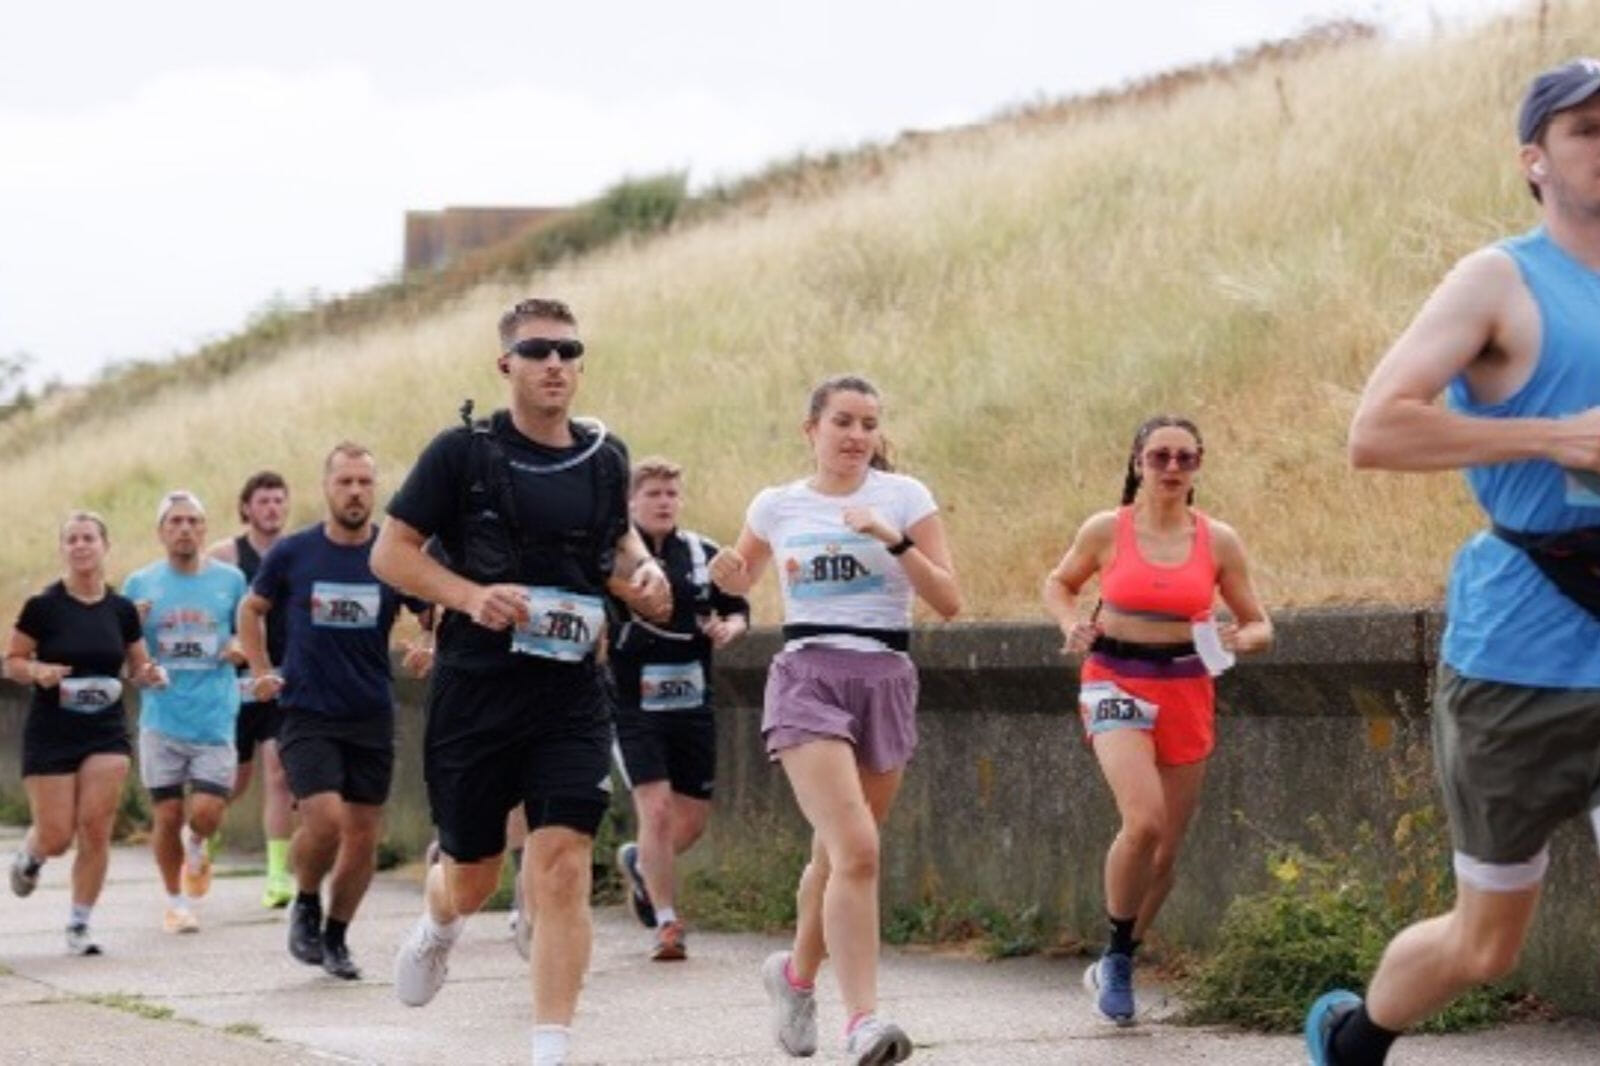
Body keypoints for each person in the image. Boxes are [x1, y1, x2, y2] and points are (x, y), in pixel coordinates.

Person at [1305, 58, 1600, 1066]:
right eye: (1586, 130)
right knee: (1484, 944)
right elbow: (1376, 430)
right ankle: (1357, 1039)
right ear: (1533, 160)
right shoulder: (1500, 281)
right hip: (1523, 658)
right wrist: (1554, 436)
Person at [371, 296, 670, 1066]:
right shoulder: (462, 454)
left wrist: (644, 570)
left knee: (563, 865)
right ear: (506, 363)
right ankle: (440, 923)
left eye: (569, 351)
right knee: (471, 878)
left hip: (571, 693)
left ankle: (550, 1049)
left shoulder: (604, 455)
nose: (555, 364)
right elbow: (390, 553)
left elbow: (616, 540)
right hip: (477, 690)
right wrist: (470, 596)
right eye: (538, 351)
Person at [707, 374, 961, 1066]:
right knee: (858, 851)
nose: (856, 435)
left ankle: (794, 978)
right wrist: (728, 577)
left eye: (868, 424)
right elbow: (740, 581)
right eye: (843, 421)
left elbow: (949, 601)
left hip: (884, 678)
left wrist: (893, 540)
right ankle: (863, 1022)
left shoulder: (904, 497)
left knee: (832, 857)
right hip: (807, 678)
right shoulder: (777, 504)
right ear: (811, 429)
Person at [1042, 414, 1271, 1026]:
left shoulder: (1219, 541)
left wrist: (1243, 638)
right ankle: (1119, 958)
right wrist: (1071, 623)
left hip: (1186, 686)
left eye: (1184, 458)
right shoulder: (1106, 529)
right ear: (1137, 463)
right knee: (1142, 822)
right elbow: (1059, 584)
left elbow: (1259, 623)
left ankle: (1119, 953)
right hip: (1114, 679)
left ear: (1198, 466)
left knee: (1166, 852)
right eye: (1159, 457)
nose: (1171, 468)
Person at [240, 443, 433, 980]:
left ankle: (337, 936)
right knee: (324, 819)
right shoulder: (294, 552)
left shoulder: (391, 556)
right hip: (307, 709)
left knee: (364, 836)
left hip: (370, 712)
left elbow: (432, 611)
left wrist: (428, 644)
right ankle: (306, 901)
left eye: (364, 483)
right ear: (326, 487)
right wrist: (261, 669)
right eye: (344, 481)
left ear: (376, 490)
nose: (355, 492)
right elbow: (251, 609)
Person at [4, 512, 167, 955]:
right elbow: (12, 661)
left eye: (88, 538)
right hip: (52, 732)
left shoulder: (122, 610)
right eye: (72, 539)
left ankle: (79, 924)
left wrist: (150, 674)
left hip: (105, 731)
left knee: (95, 828)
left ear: (104, 546)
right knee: (57, 836)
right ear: (63, 549)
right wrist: (37, 670)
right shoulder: (43, 607)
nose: (80, 545)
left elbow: (138, 665)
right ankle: (32, 855)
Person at [609, 456, 750, 961]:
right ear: (630, 503)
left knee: (688, 824)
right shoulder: (611, 560)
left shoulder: (701, 552)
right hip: (633, 706)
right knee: (657, 810)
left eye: (671, 494)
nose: (664, 502)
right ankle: (667, 923)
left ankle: (640, 863)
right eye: (653, 494)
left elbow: (737, 608)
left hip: (692, 703)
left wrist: (729, 628)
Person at [122, 490, 249, 933]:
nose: (185, 529)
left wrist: (239, 647)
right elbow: (125, 655)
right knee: (167, 815)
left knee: (207, 812)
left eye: (193, 521)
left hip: (214, 715)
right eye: (175, 522)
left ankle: (196, 843)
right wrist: (141, 662)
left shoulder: (231, 580)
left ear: (205, 529)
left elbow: (247, 632)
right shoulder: (139, 584)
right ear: (160, 532)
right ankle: (175, 903)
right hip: (162, 718)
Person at [208, 470, 296, 907]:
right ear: (246, 508)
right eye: (263, 501)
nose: (272, 508)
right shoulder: (224, 556)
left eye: (279, 500)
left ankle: (278, 875)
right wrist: (226, 643)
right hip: (237, 684)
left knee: (279, 774)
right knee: (234, 780)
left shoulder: (298, 552)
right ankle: (202, 833)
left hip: (282, 678)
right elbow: (200, 607)